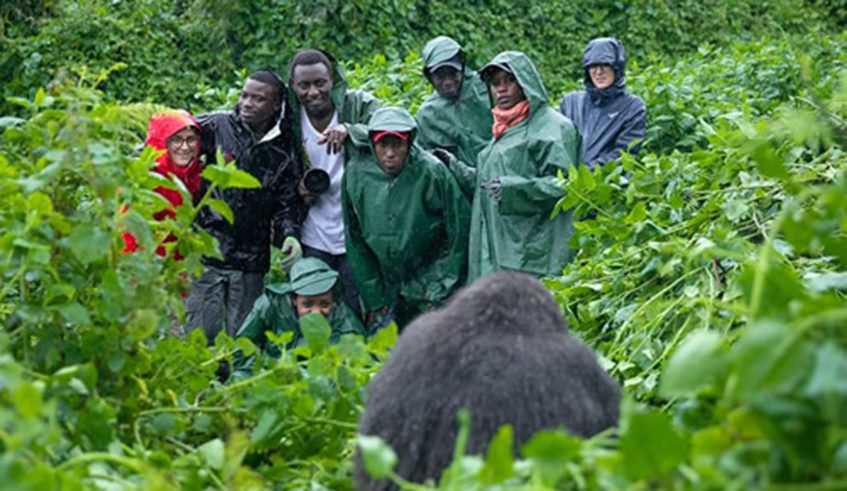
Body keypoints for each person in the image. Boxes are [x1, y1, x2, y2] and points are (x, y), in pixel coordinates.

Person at [187, 70, 305, 343]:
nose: (247, 103)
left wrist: (290, 235)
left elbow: (287, 205)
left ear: (276, 105)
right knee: (200, 336)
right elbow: (177, 134)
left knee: (242, 341)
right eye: (244, 95)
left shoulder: (285, 148)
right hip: (207, 250)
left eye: (258, 99)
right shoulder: (218, 125)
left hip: (251, 259)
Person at [342, 107, 470, 330]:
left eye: (397, 145)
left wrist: (442, 284)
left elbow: (459, 230)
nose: (390, 153)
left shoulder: (432, 171)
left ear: (409, 143)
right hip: (385, 281)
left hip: (430, 278)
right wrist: (374, 298)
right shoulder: (356, 173)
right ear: (372, 144)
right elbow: (354, 237)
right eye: (383, 145)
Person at [468, 51, 581, 281]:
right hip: (501, 245)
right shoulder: (504, 127)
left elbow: (566, 187)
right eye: (495, 83)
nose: (501, 89)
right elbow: (490, 180)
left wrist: (514, 190)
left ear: (525, 81)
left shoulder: (552, 127)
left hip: (531, 250)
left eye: (510, 80)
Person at [287, 49, 381, 318]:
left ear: (332, 79)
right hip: (313, 233)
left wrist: (351, 130)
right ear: (293, 85)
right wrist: (297, 189)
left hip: (355, 230)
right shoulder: (289, 119)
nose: (313, 92)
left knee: (354, 309)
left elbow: (390, 128)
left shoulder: (357, 106)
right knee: (314, 311)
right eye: (304, 85)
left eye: (320, 83)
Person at [232, 257, 366, 379]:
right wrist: (267, 370)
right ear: (294, 299)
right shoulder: (270, 305)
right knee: (239, 377)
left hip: (321, 378)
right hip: (275, 375)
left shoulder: (342, 315)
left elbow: (361, 357)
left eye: (324, 304)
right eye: (307, 304)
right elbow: (242, 348)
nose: (316, 313)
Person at [415, 36, 492, 198]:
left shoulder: (488, 88)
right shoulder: (427, 116)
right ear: (429, 77)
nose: (448, 81)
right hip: (462, 194)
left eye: (453, 73)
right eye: (440, 76)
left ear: (462, 68)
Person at [121, 109, 203, 260]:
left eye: (191, 139)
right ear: (161, 142)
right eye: (176, 140)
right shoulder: (141, 176)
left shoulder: (198, 174)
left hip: (182, 264)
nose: (185, 147)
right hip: (146, 262)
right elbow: (127, 232)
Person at [559, 37, 646, 171]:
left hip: (608, 180)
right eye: (593, 66)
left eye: (605, 65)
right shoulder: (570, 103)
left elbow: (624, 154)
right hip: (567, 179)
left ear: (617, 68)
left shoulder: (632, 107)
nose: (598, 72)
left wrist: (584, 173)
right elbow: (557, 145)